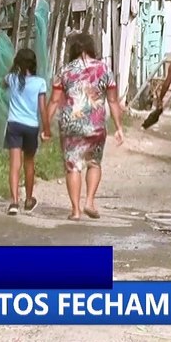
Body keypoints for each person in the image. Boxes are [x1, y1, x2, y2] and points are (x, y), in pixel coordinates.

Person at [45, 32, 125, 221]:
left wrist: (45, 126)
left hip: (70, 125)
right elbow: (113, 101)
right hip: (95, 125)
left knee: (73, 166)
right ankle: (89, 201)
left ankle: (75, 211)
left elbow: (54, 101)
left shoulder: (64, 71)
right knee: (94, 163)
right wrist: (119, 127)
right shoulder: (104, 69)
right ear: (91, 48)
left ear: (73, 49)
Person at [4, 49, 48, 215]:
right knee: (29, 163)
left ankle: (14, 202)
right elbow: (42, 109)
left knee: (14, 165)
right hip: (31, 126)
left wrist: (14, 70)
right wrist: (47, 129)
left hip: (14, 124)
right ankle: (29, 200)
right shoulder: (40, 83)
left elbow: (4, 80)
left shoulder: (12, 79)